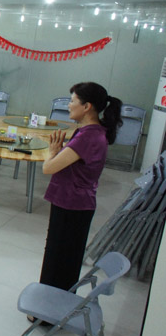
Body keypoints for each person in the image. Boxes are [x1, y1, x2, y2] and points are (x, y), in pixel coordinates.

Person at [39, 82, 123, 293]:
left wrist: (53, 151)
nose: (68, 105)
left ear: (86, 107)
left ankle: (50, 307)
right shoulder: (92, 132)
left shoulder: (88, 137)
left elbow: (48, 168)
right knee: (64, 260)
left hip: (72, 205)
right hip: (75, 203)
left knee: (59, 261)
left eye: (72, 101)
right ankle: (53, 304)